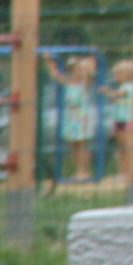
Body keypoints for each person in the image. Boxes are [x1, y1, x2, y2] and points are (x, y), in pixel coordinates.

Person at [46, 53, 100, 184]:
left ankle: (84, 170)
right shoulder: (69, 82)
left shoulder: (84, 83)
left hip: (81, 117)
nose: (78, 73)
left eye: (80, 70)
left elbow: (92, 72)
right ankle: (78, 170)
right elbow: (55, 74)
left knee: (83, 144)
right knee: (73, 145)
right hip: (71, 117)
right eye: (75, 70)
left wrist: (92, 56)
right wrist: (49, 60)